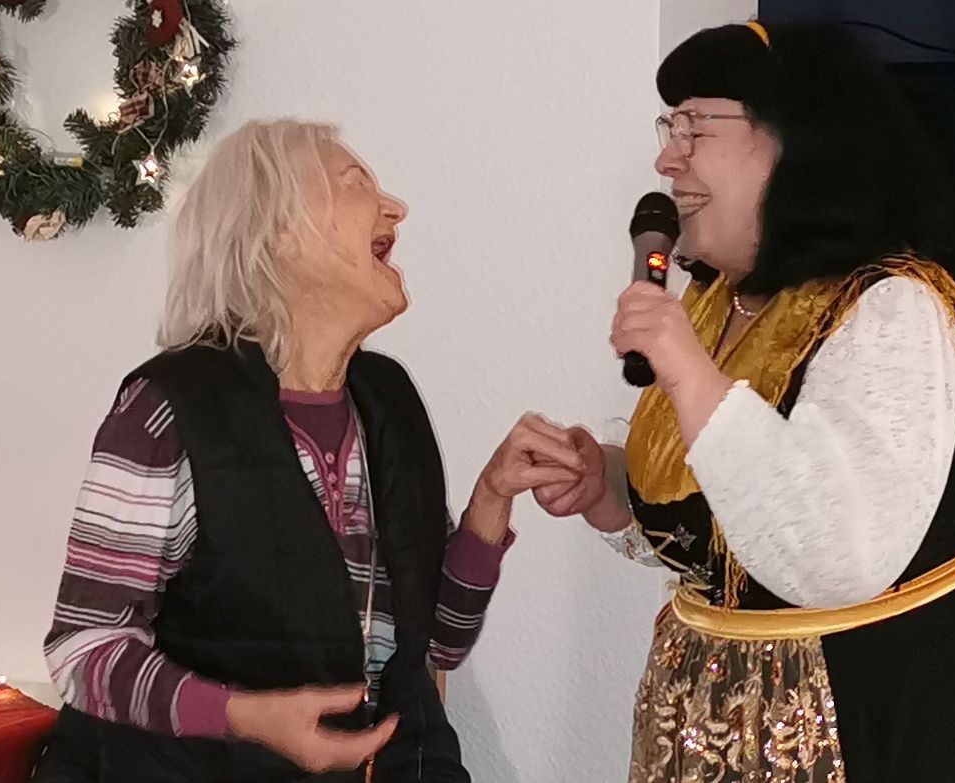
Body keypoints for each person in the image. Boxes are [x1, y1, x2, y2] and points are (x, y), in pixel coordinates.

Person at [534, 22, 955, 783]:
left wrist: (689, 375)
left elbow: (836, 553)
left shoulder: (893, 309)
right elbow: (730, 513)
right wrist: (611, 485)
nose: (666, 159)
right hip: (721, 723)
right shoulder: (716, 306)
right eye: (669, 126)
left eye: (695, 126)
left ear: (799, 144)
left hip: (892, 717)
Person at [30, 119, 586, 782]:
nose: (395, 208)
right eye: (354, 184)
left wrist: (491, 500)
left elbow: (439, 641)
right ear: (277, 232)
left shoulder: (389, 399)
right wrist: (244, 716)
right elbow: (84, 647)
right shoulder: (167, 411)